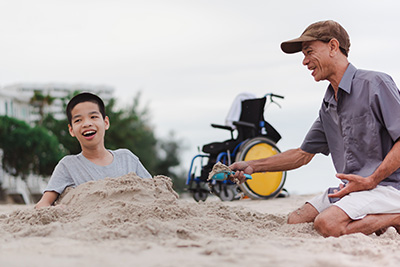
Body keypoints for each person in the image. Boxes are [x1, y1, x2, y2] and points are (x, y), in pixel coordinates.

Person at [230, 20, 400, 237]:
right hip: (354, 189)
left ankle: (396, 217)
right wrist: (252, 165)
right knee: (296, 220)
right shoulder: (329, 102)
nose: (304, 61)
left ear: (333, 47)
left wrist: (371, 180)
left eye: (309, 51)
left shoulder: (375, 83)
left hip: (389, 187)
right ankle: (377, 220)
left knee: (327, 224)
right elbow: (302, 155)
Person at [35, 92, 152, 208]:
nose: (87, 123)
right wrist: (56, 210)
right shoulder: (68, 166)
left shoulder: (127, 159)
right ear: (71, 130)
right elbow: (43, 203)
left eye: (93, 117)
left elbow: (156, 191)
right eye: (78, 120)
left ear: (106, 122)